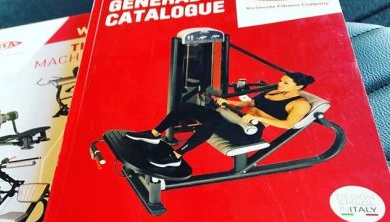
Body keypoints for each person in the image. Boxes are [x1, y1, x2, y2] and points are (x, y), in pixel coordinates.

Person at [125, 72, 315, 168]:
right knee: (186, 107)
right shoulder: (274, 91)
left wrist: (258, 116)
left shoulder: (300, 104)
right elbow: (249, 103)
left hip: (249, 132)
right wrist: (227, 102)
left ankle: (176, 157)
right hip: (237, 119)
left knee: (212, 122)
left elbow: (288, 125)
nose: (280, 83)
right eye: (281, 80)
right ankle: (154, 134)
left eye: (285, 82)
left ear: (298, 86)